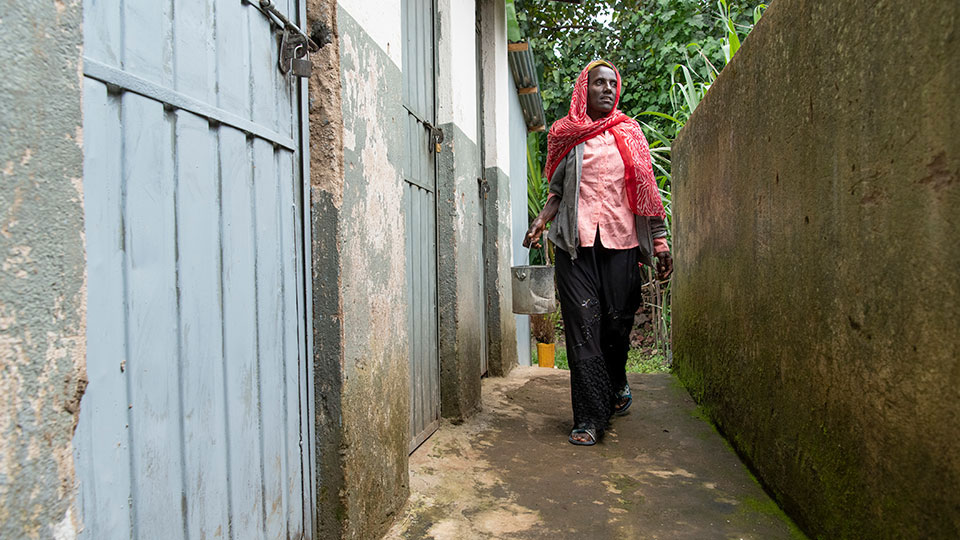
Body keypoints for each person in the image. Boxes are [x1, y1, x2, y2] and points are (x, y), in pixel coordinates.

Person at [523, 60, 673, 446]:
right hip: (575, 247)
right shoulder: (569, 137)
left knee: (616, 327)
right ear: (583, 90)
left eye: (612, 83)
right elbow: (556, 190)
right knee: (583, 326)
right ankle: (589, 417)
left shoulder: (630, 134)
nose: (606, 89)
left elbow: (648, 197)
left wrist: (660, 244)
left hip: (621, 245)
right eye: (598, 83)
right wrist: (541, 221)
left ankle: (615, 378)